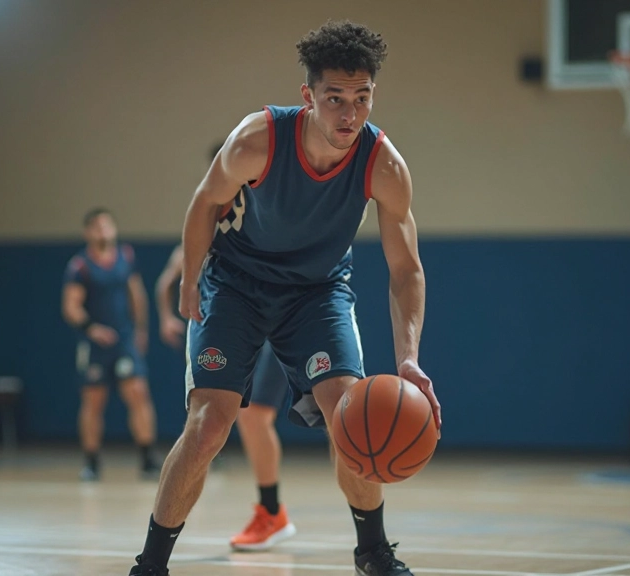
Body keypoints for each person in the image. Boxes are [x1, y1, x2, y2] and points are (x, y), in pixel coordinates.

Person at [129, 20, 441, 576]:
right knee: (210, 424)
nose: (349, 115)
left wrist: (409, 358)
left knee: (352, 415)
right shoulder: (258, 140)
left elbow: (406, 269)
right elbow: (205, 202)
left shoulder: (385, 165)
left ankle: (373, 552)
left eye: (362, 98)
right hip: (236, 284)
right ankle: (150, 565)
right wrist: (189, 279)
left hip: (316, 292)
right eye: (335, 98)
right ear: (308, 95)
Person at [157, 213, 296, 551]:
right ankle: (271, 512)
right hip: (233, 319)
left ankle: (367, 530)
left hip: (282, 313)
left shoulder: (270, 213)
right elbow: (166, 282)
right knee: (243, 417)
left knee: (336, 409)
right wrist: (166, 317)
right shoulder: (203, 230)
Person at [62, 207, 162, 481]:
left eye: (107, 226)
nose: (103, 232)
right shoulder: (80, 266)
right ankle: (91, 462)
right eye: (97, 227)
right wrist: (91, 329)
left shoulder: (126, 256)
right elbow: (70, 307)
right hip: (94, 345)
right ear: (87, 233)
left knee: (138, 392)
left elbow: (137, 295)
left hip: (124, 340)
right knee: (93, 401)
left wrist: (141, 330)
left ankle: (147, 458)